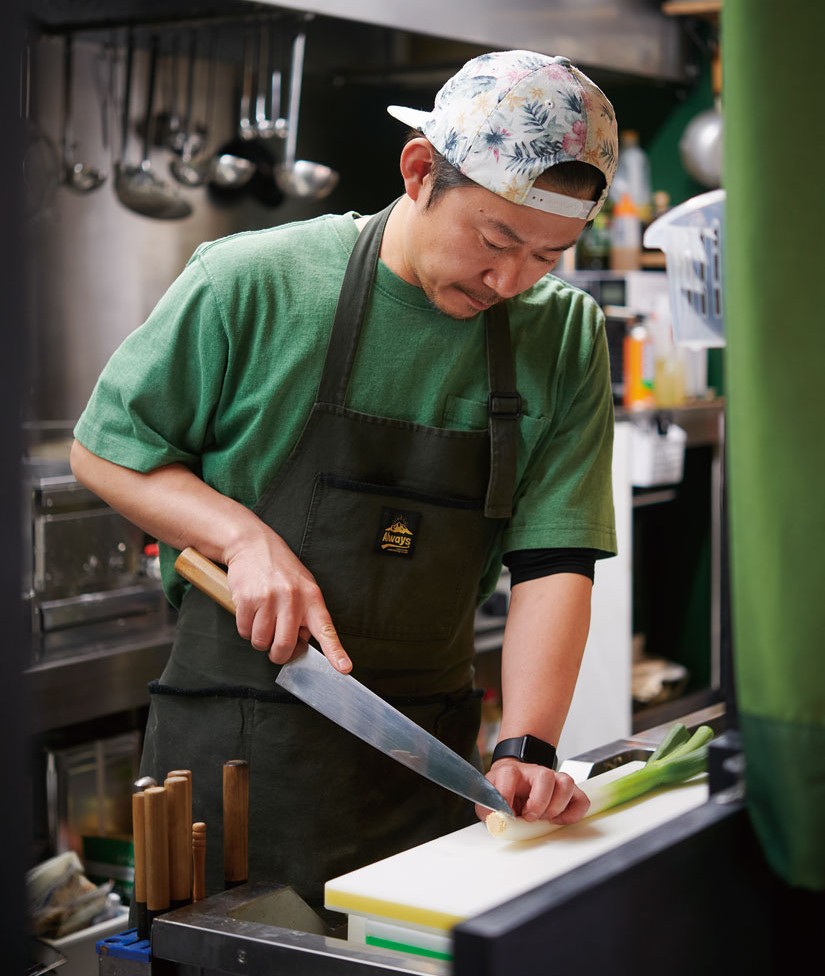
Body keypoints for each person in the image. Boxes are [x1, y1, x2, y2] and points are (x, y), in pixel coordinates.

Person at [71, 49, 620, 906]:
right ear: (418, 172)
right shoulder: (253, 281)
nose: (508, 281)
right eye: (494, 240)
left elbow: (553, 559)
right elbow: (106, 448)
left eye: (546, 257)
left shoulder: (565, 335)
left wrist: (526, 745)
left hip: (425, 761)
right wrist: (242, 538)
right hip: (234, 763)